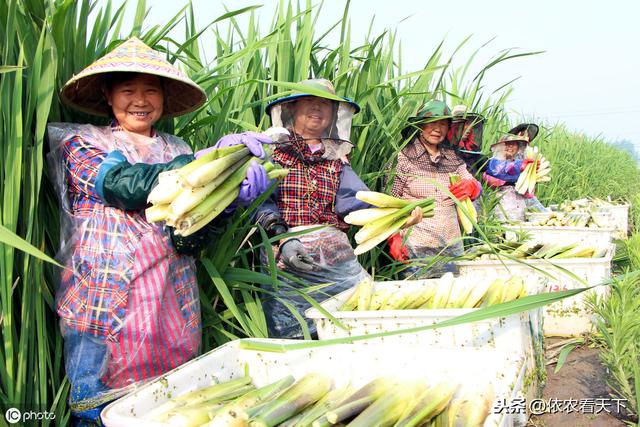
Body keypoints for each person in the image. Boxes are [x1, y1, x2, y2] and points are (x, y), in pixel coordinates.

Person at [47, 37, 270, 425]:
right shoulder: (80, 142)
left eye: (151, 90)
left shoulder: (175, 147)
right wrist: (207, 164)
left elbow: (189, 235)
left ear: (165, 97)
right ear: (107, 93)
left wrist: (227, 193)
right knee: (99, 414)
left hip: (170, 306)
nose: (140, 100)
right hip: (102, 306)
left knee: (170, 410)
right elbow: (122, 184)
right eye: (128, 89)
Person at [256, 79, 420, 338]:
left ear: (334, 115)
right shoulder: (272, 154)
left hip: (336, 263)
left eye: (325, 104)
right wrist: (281, 236)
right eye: (310, 101)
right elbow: (260, 203)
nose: (317, 109)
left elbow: (357, 202)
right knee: (296, 335)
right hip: (286, 260)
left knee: (352, 327)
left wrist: (397, 217)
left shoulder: (336, 160)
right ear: (292, 109)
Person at [387, 100, 482, 278]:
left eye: (443, 124)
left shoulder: (453, 159)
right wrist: (393, 237)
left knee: (454, 299)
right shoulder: (402, 159)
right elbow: (389, 204)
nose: (437, 128)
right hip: (415, 246)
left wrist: (474, 187)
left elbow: (472, 183)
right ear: (420, 125)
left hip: (451, 245)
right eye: (432, 122)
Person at [482, 123, 547, 222]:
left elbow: (529, 194)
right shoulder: (492, 163)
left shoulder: (521, 164)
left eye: (514, 144)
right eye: (507, 144)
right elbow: (493, 179)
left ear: (518, 148)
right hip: (500, 207)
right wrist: (515, 176)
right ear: (500, 146)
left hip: (519, 207)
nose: (510, 147)